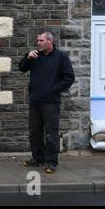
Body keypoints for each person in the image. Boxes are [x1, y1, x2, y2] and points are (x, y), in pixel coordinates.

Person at [18, 30, 75, 173]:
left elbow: (69, 77)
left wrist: (54, 89)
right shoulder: (35, 56)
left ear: (50, 41)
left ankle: (51, 162)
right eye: (37, 41)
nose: (38, 43)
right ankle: (38, 158)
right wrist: (28, 58)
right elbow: (21, 68)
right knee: (34, 132)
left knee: (51, 133)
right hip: (35, 101)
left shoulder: (61, 57)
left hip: (51, 102)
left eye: (41, 41)